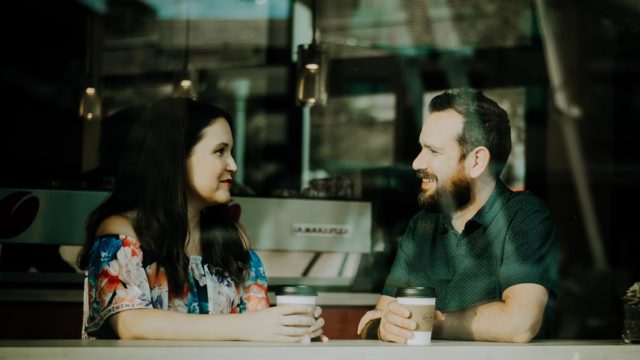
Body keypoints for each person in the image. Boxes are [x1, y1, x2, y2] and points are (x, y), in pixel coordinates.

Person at [77, 97, 325, 341]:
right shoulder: (122, 233)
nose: (234, 165)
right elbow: (131, 324)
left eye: (231, 152)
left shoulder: (232, 240)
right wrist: (246, 327)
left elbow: (257, 325)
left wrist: (292, 329)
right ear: (175, 158)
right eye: (220, 151)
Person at [357, 88, 558, 343]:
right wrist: (383, 326)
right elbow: (376, 319)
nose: (417, 163)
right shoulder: (422, 227)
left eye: (434, 151)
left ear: (476, 162)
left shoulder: (524, 216)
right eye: (421, 148)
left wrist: (425, 323)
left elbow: (519, 324)